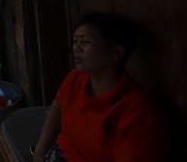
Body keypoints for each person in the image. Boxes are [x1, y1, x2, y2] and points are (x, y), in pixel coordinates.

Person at [33, 12, 167, 162]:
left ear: (116, 53)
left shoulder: (136, 112)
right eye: (75, 41)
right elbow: (58, 105)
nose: (76, 48)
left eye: (85, 42)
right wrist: (39, 152)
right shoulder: (76, 78)